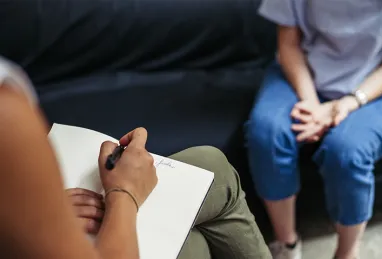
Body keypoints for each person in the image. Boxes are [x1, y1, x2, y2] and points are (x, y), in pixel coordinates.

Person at [0, 56, 271, 259]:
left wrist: (35, 216)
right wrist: (124, 192)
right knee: (194, 240)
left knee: (211, 166)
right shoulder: (7, 112)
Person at [245, 1, 382, 259]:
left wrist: (349, 102)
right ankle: (286, 244)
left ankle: (346, 253)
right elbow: (288, 44)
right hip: (302, 76)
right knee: (266, 134)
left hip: (376, 90)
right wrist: (311, 103)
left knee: (346, 152)